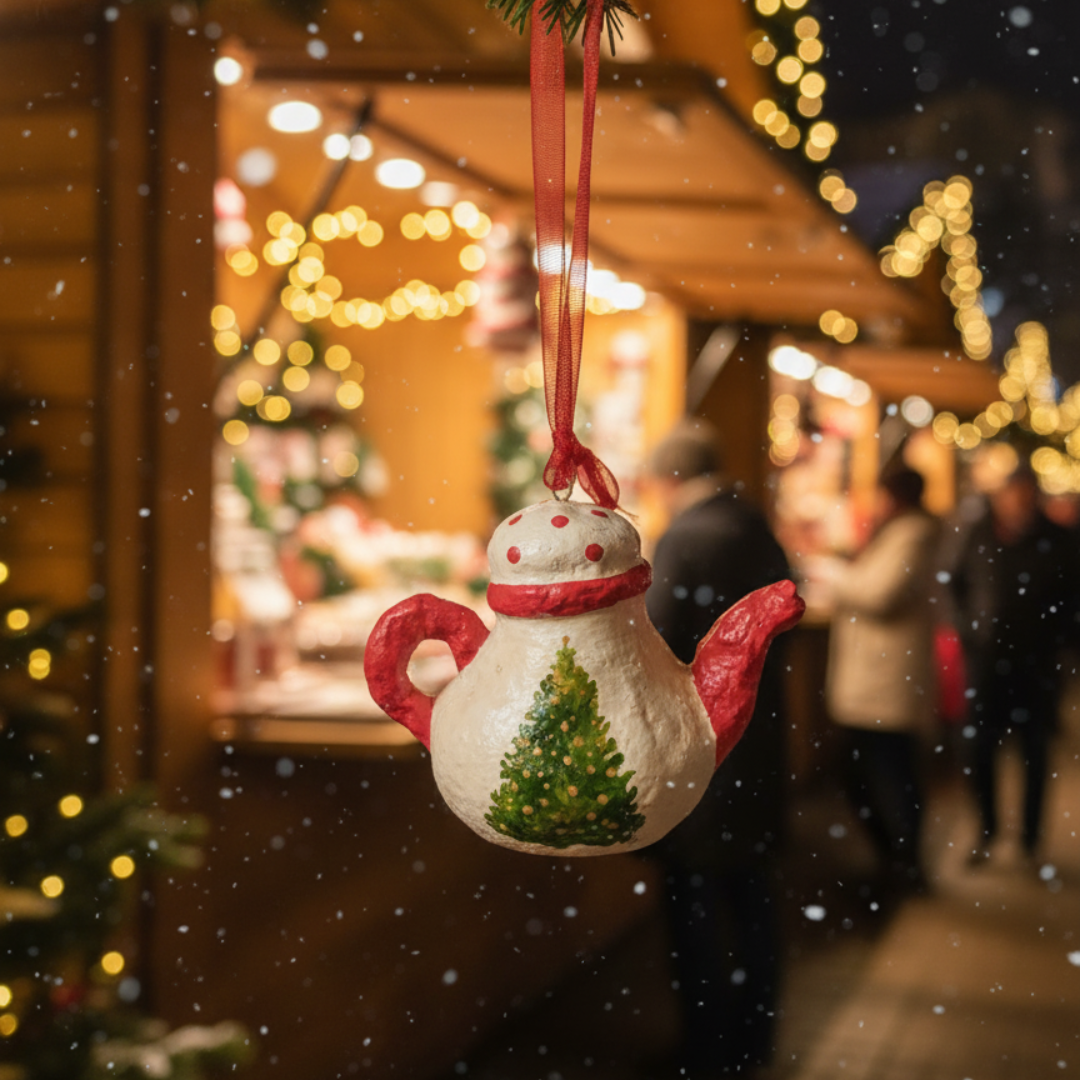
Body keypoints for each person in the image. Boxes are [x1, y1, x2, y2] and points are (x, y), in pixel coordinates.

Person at [644, 418, 792, 1078]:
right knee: (752, 896)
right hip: (756, 741)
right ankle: (754, 1037)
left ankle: (705, 1050)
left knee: (696, 905)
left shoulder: (687, 537)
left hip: (704, 752)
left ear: (669, 479)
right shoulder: (754, 526)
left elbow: (655, 641)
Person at [950, 463, 1080, 863]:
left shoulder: (1059, 540)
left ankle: (1029, 840)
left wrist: (1060, 644)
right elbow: (955, 583)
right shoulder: (980, 534)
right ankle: (988, 831)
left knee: (1034, 754)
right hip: (988, 664)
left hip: (1037, 665)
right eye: (1013, 494)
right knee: (981, 751)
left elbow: (1073, 599)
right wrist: (970, 631)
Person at [824, 467, 940, 893]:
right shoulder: (903, 534)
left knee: (885, 778)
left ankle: (902, 867)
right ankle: (896, 863)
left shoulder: (911, 535)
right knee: (877, 777)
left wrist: (832, 573)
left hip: (885, 686)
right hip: (878, 684)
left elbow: (879, 593)